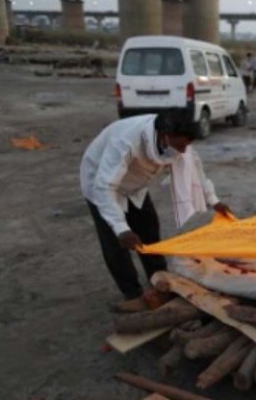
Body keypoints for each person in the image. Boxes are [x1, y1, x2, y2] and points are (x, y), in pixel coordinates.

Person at [80, 112, 233, 311]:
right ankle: (131, 292)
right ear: (164, 135)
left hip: (135, 186)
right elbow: (105, 187)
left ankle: (159, 280)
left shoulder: (179, 140)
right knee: (116, 244)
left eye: (187, 145)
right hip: (100, 184)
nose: (183, 150)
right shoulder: (126, 141)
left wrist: (214, 201)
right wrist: (121, 228)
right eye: (180, 146)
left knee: (149, 231)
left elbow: (196, 170)